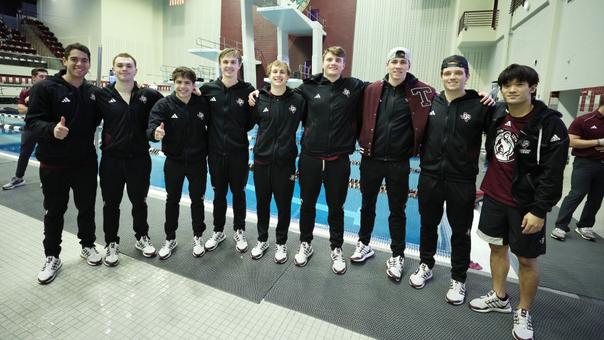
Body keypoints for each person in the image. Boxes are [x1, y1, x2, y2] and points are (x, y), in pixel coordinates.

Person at [469, 64, 568, 340]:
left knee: (526, 259)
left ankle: (523, 310)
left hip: (526, 203)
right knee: (496, 248)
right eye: (506, 85)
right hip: (494, 196)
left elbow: (553, 173)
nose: (511, 90)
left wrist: (539, 210)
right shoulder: (498, 112)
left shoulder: (550, 123)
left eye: (519, 84)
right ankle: (500, 297)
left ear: (532, 87)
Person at [250, 46, 365, 274]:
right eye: (329, 59)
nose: (333, 63)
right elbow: (280, 96)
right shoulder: (307, 89)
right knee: (307, 205)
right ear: (323, 63)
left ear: (344, 64)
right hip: (310, 157)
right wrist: (257, 92)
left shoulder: (354, 87)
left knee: (336, 207)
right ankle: (306, 244)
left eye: (338, 60)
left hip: (338, 159)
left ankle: (336, 247)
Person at [409, 55, 494, 304]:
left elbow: (494, 139)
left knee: (460, 231)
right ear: (441, 76)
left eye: (458, 73)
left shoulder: (480, 105)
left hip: (462, 179)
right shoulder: (429, 102)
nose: (452, 77)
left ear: (467, 75)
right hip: (430, 175)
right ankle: (426, 264)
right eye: (448, 73)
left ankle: (458, 278)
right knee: (428, 225)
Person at [352, 47, 435, 282]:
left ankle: (397, 255)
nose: (398, 66)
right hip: (371, 159)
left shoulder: (421, 92)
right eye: (394, 61)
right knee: (367, 205)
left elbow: (448, 99)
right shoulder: (371, 90)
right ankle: (364, 243)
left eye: (403, 62)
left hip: (399, 162)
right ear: (387, 64)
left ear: (409, 65)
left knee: (397, 210)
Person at [27, 43, 103, 284]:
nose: (79, 64)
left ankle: (88, 245)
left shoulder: (93, 92)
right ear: (64, 60)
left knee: (87, 207)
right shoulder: (45, 88)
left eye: (84, 60)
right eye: (74, 59)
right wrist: (52, 129)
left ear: (89, 63)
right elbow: (32, 121)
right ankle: (52, 256)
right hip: (54, 163)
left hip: (85, 162)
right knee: (54, 211)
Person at [95, 53, 163, 266]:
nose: (124, 69)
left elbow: (170, 107)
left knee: (139, 202)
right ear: (114, 69)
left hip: (139, 159)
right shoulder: (101, 95)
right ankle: (111, 243)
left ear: (136, 69)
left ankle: (142, 237)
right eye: (120, 66)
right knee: (110, 204)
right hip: (111, 160)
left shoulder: (148, 95)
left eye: (128, 66)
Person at [147, 66, 210, 260]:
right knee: (172, 200)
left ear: (193, 85)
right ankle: (170, 238)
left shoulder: (201, 103)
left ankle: (198, 236)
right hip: (174, 161)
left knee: (197, 200)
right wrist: (155, 133)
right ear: (174, 83)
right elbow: (152, 125)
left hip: (198, 161)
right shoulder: (163, 105)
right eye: (179, 82)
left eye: (187, 83)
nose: (183, 86)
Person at [249, 60, 305, 263]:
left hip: (285, 162)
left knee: (283, 205)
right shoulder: (260, 98)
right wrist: (252, 94)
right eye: (275, 72)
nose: (278, 75)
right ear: (269, 74)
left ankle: (281, 243)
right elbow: (246, 122)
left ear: (287, 76)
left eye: (282, 72)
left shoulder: (297, 100)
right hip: (262, 161)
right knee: (262, 203)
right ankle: (262, 240)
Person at [200, 48, 255, 254]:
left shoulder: (247, 90)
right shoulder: (208, 89)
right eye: (225, 62)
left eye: (233, 62)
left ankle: (239, 230)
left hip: (238, 151)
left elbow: (251, 120)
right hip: (214, 151)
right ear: (220, 64)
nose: (229, 66)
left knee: (238, 192)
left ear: (239, 65)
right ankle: (218, 230)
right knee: (218, 193)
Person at [551, 95, 604, 241]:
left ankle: (584, 225)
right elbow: (571, 141)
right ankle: (560, 226)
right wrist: (599, 142)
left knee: (596, 198)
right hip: (585, 163)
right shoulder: (584, 120)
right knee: (577, 193)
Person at [2, 67, 48, 190]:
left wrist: (31, 105)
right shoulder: (25, 92)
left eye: (46, 77)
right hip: (30, 127)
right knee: (24, 153)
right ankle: (18, 178)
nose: (44, 79)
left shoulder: (50, 91)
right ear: (33, 78)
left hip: (45, 128)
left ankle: (45, 180)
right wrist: (37, 108)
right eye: (41, 76)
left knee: (45, 154)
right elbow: (21, 109)